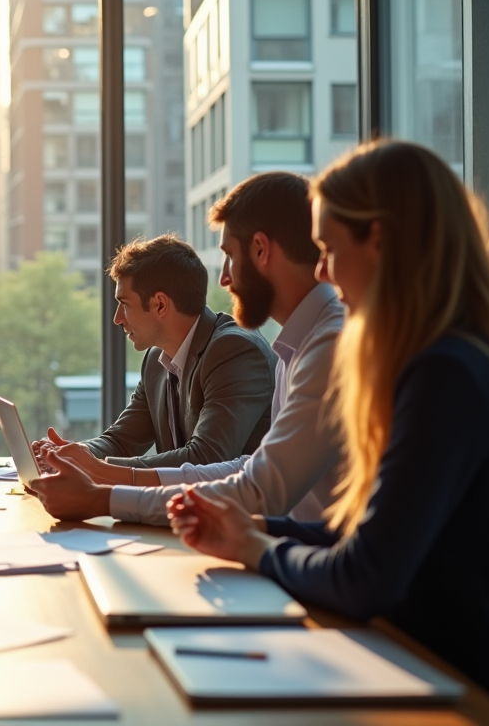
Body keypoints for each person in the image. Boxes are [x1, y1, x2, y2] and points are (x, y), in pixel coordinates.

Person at [168, 141, 489, 707]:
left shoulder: (444, 374)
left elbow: (365, 576)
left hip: (458, 689)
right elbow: (368, 538)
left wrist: (254, 546)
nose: (322, 270)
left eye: (328, 248)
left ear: (379, 239)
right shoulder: (452, 357)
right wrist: (253, 527)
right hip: (418, 658)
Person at [30, 173, 345, 526]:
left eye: (229, 256)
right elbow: (250, 470)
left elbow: (240, 476)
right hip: (273, 536)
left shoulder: (273, 348)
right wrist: (76, 458)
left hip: (301, 546)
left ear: (260, 249)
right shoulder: (294, 347)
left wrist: (104, 488)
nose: (224, 279)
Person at [35, 234, 276, 470]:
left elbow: (206, 458)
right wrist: (72, 453)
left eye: (124, 304)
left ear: (160, 305)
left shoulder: (236, 351)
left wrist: (98, 468)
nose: (117, 318)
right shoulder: (156, 359)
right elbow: (121, 441)